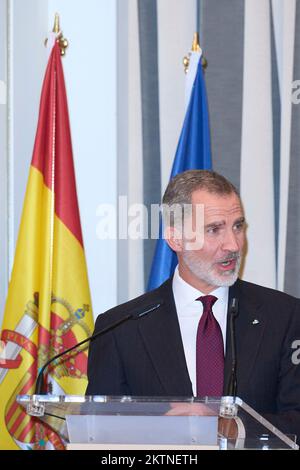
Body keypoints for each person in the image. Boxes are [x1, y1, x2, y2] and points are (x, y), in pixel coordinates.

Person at [86, 170, 300, 442]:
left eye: (237, 226)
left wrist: (228, 427)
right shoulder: (120, 328)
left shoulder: (286, 317)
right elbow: (99, 433)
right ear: (175, 239)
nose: (233, 244)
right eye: (214, 230)